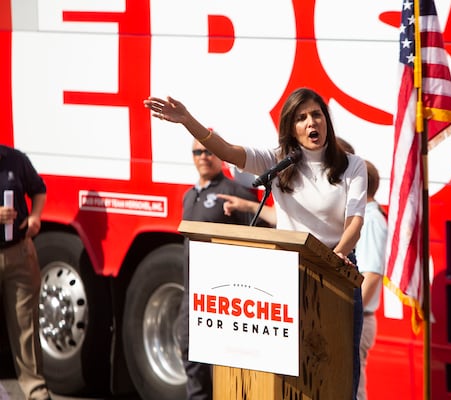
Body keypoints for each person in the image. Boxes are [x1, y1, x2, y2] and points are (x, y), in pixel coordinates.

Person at [145, 87, 367, 399]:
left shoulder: (352, 166)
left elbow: (355, 220)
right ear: (291, 127)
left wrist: (338, 254)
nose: (311, 122)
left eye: (316, 114)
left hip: (337, 276)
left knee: (338, 371)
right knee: (289, 376)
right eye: (301, 118)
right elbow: (226, 151)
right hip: (287, 276)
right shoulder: (277, 162)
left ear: (326, 120)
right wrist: (187, 120)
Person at [178, 138, 259, 400]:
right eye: (197, 152)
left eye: (208, 151)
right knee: (191, 356)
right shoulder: (189, 196)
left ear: (220, 157)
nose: (203, 156)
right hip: (192, 295)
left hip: (226, 298)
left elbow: (257, 241)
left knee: (230, 372)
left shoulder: (235, 192)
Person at [0, 145, 50, 400]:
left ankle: (35, 390)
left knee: (25, 323)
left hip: (18, 252)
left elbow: (39, 189)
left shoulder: (16, 160)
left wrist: (35, 217)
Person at [354, 160, 387, 400]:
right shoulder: (365, 217)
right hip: (358, 317)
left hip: (359, 319)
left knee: (353, 390)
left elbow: (372, 274)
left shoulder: (372, 220)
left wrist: (350, 315)